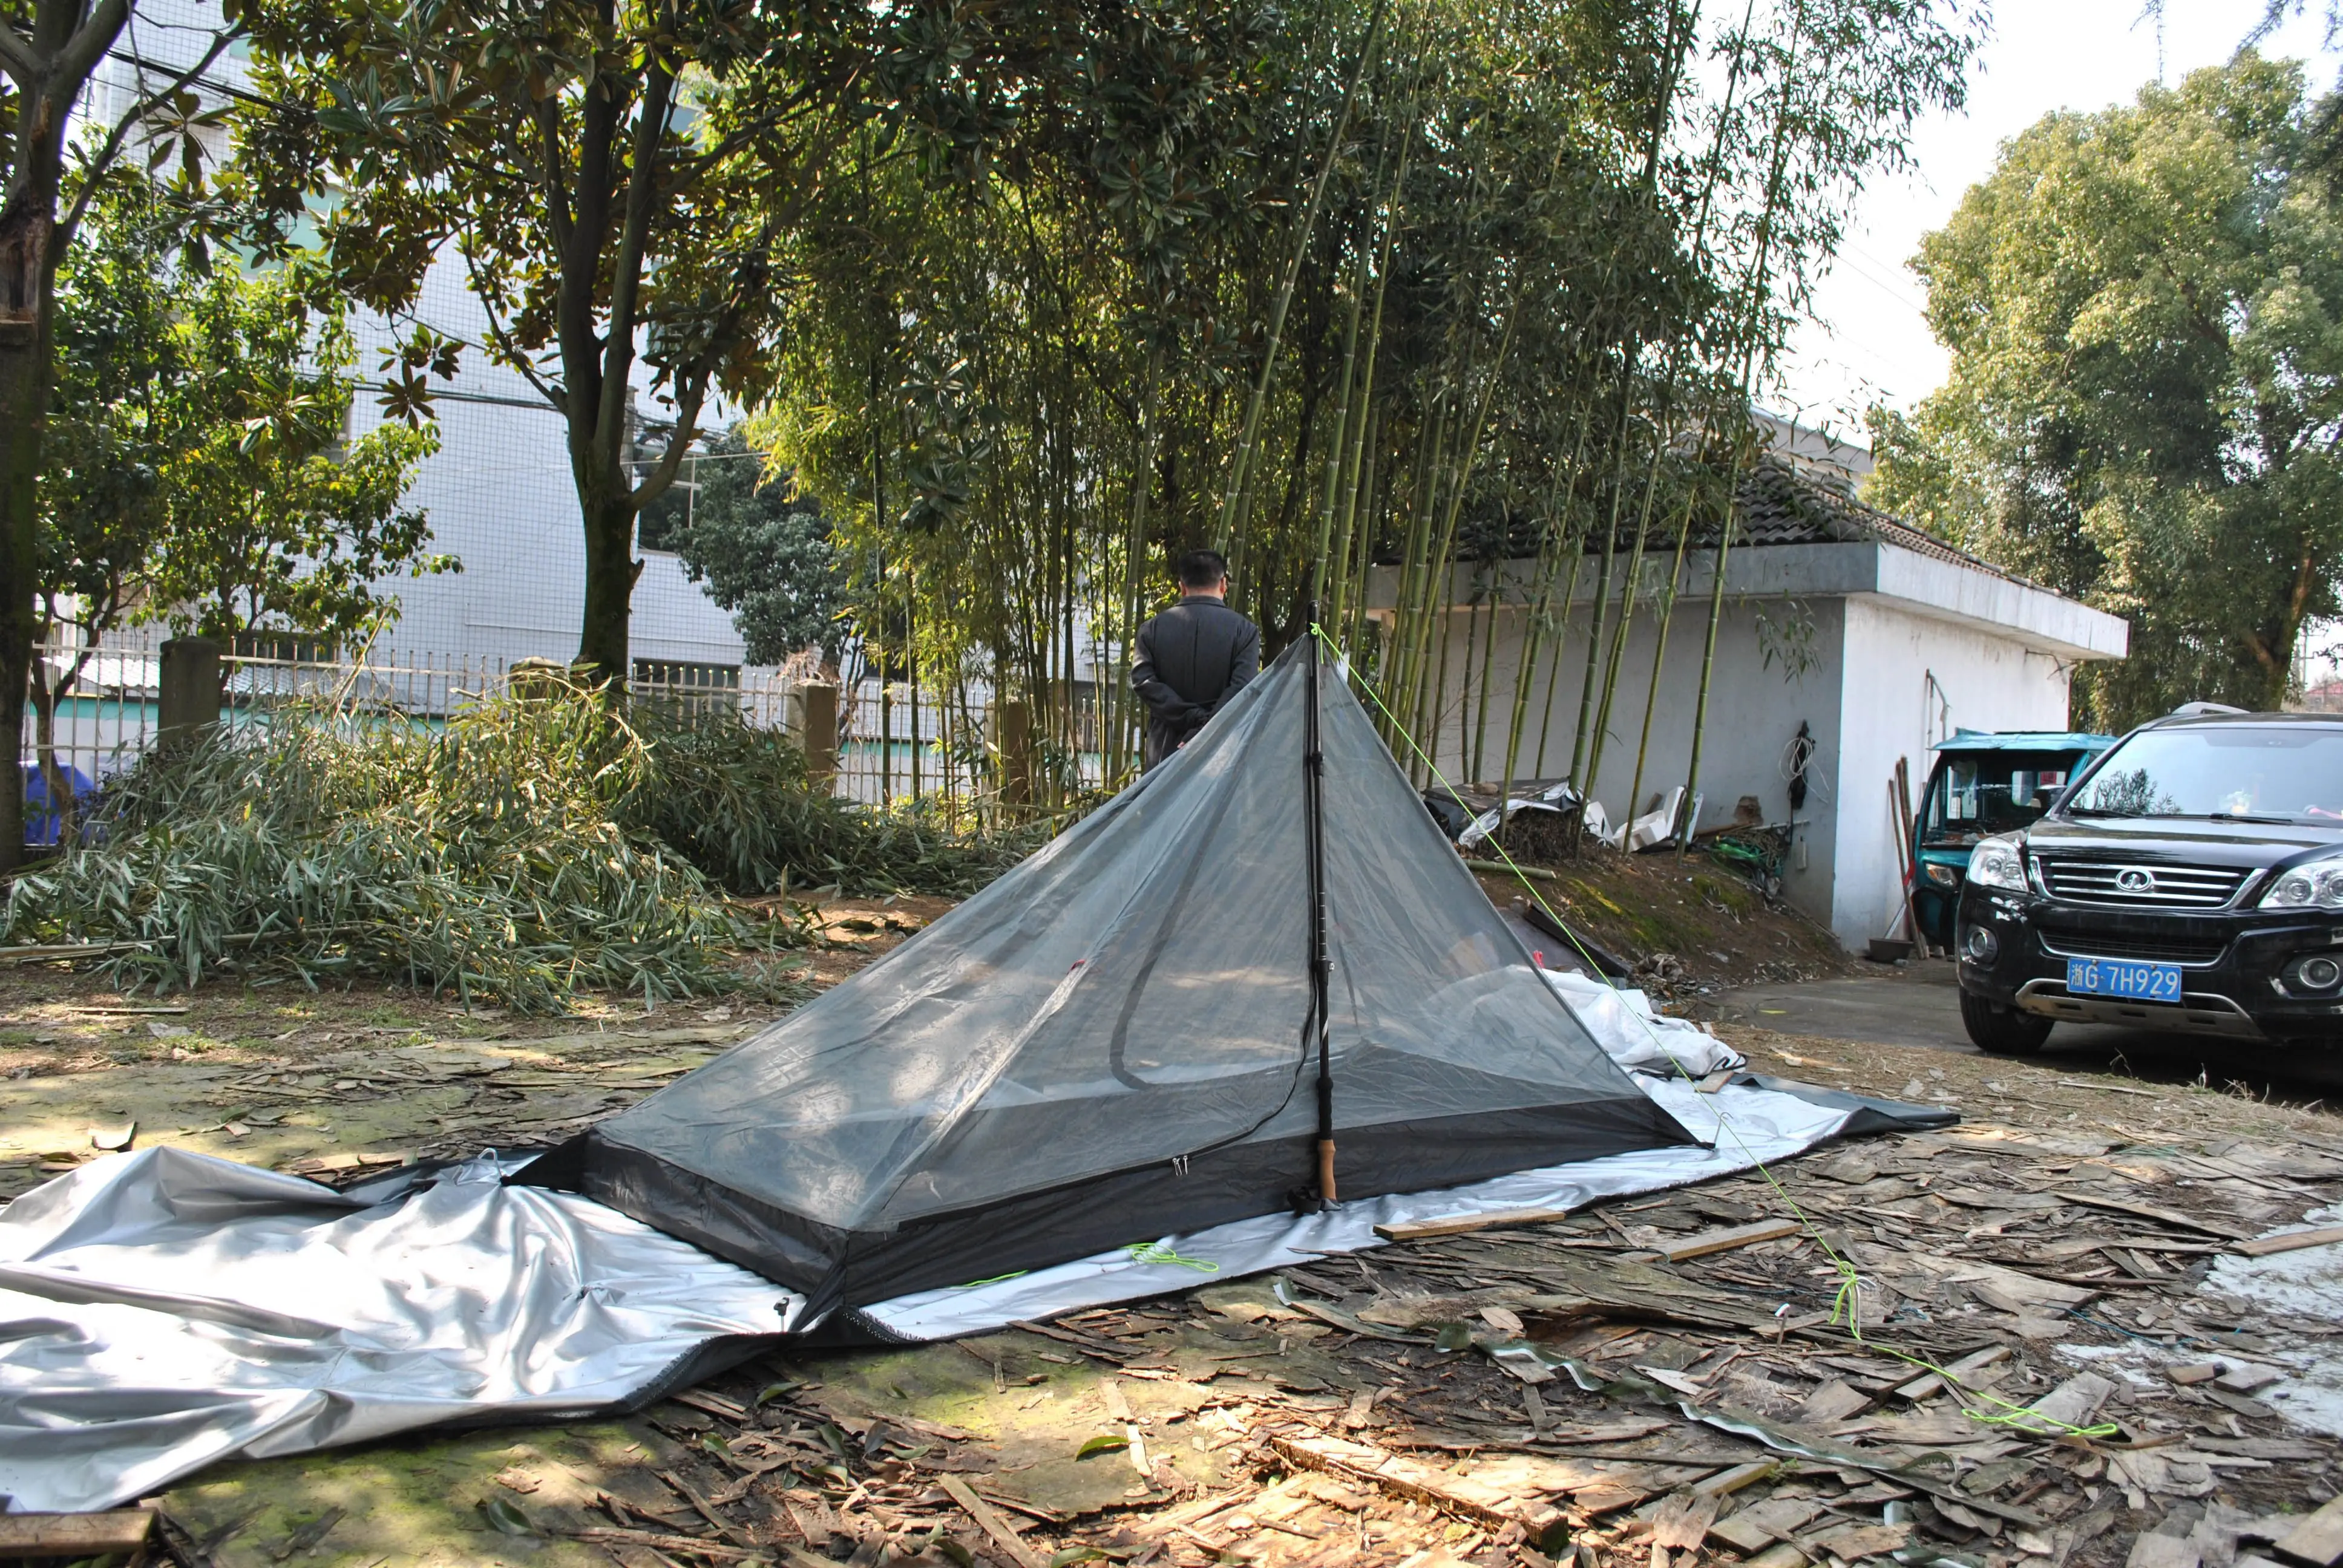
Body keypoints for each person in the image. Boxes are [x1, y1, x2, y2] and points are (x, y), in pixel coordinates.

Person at [1131, 549, 1261, 770]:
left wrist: (1194, 719)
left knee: (1166, 805)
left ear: (1181, 586)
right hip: (1223, 749)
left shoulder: (1151, 630)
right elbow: (1242, 687)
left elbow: (1142, 681)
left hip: (1166, 748)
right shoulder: (1245, 631)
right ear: (1223, 584)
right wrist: (1207, 727)